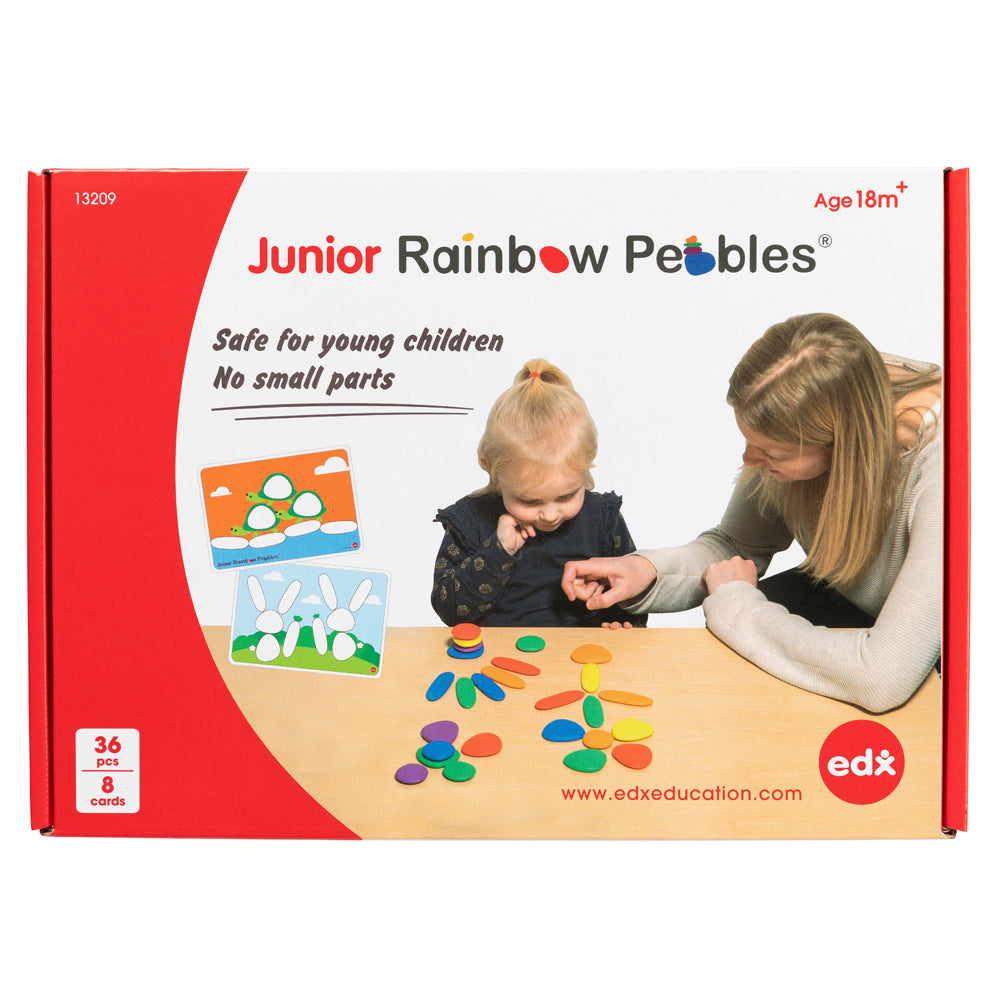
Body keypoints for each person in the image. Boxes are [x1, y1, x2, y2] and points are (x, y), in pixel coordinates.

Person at [561, 313, 942, 713]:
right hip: (863, 617)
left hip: (936, 652)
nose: (748, 459)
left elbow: (881, 677)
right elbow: (737, 547)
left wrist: (736, 607)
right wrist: (646, 570)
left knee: (746, 615)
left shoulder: (943, 471)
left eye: (769, 452)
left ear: (840, 444)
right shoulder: (811, 404)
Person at [432, 359, 647, 628]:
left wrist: (626, 626)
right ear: (492, 470)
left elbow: (636, 593)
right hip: (497, 654)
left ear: (587, 465)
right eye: (529, 501)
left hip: (586, 653)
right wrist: (499, 551)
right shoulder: (470, 520)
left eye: (566, 496)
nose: (549, 514)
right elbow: (449, 610)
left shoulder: (603, 520)